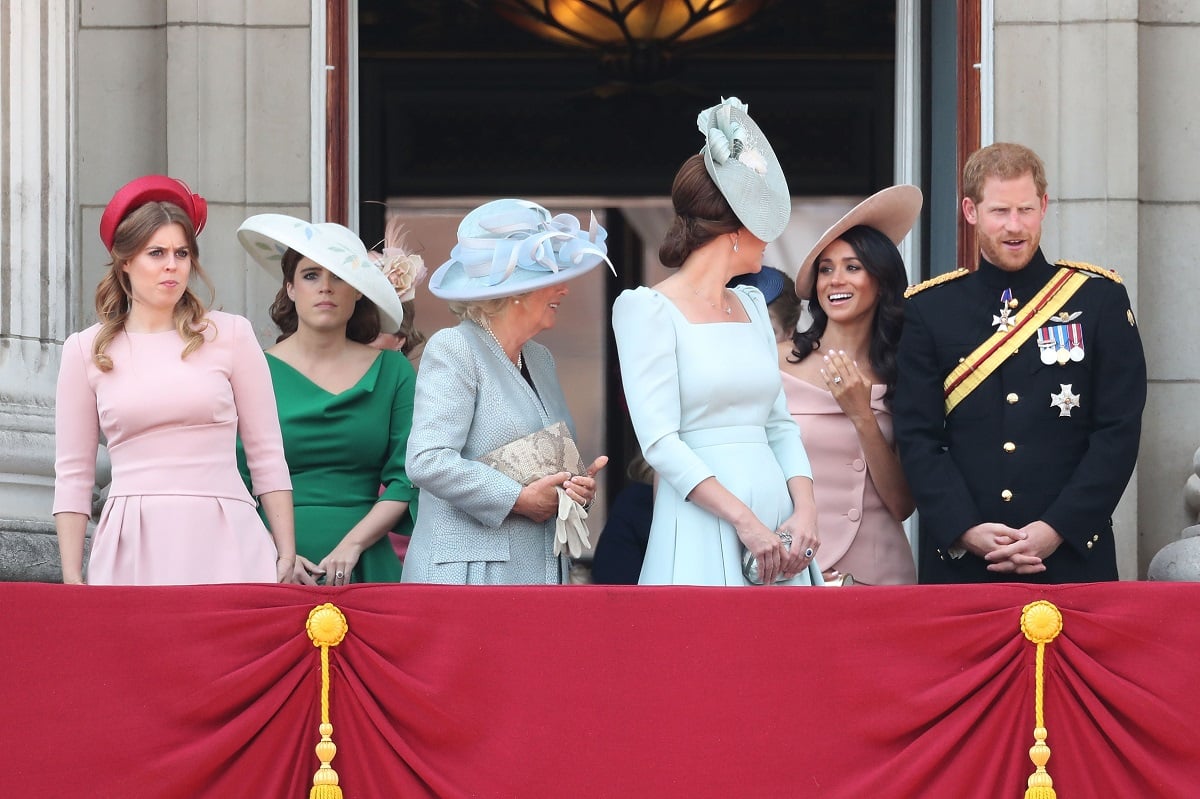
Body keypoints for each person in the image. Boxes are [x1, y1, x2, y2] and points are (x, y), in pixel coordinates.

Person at [893, 142, 1147, 583]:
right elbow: (918, 437)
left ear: (1044, 206)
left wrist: (1057, 528)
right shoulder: (929, 309)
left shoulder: (1098, 299)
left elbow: (1117, 432)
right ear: (970, 211)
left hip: (1070, 560)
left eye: (1026, 210)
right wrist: (964, 529)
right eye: (1000, 212)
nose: (1015, 226)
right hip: (964, 564)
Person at [612, 96, 822, 586]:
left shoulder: (751, 304)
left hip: (778, 525)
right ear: (732, 231)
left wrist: (806, 510)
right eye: (761, 216)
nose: (772, 234)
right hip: (703, 520)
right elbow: (661, 442)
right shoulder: (647, 309)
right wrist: (743, 521)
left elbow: (780, 424)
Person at [53, 175, 296, 585]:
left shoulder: (231, 334)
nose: (172, 264)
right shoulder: (84, 349)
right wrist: (71, 576)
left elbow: (267, 453)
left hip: (227, 534)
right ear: (125, 261)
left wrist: (286, 550)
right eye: (156, 252)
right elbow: (74, 474)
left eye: (182, 253)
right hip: (133, 539)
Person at [402, 198, 610, 585]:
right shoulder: (455, 348)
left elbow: (541, 463)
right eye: (551, 279)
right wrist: (518, 499)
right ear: (513, 290)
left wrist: (572, 487)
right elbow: (427, 460)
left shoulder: (540, 358)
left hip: (538, 570)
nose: (564, 290)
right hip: (472, 575)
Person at [237, 214, 420, 585]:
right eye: (311, 275)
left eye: (339, 276)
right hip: (269, 569)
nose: (326, 287)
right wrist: (277, 550)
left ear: (358, 291)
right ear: (289, 288)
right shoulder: (251, 369)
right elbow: (234, 481)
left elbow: (408, 477)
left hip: (366, 565)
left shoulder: (393, 371)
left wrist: (353, 544)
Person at [782, 186, 922, 585]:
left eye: (852, 267)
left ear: (881, 279)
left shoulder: (906, 370)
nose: (835, 280)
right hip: (789, 570)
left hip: (879, 574)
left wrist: (862, 413)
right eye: (826, 269)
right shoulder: (776, 362)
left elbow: (901, 505)